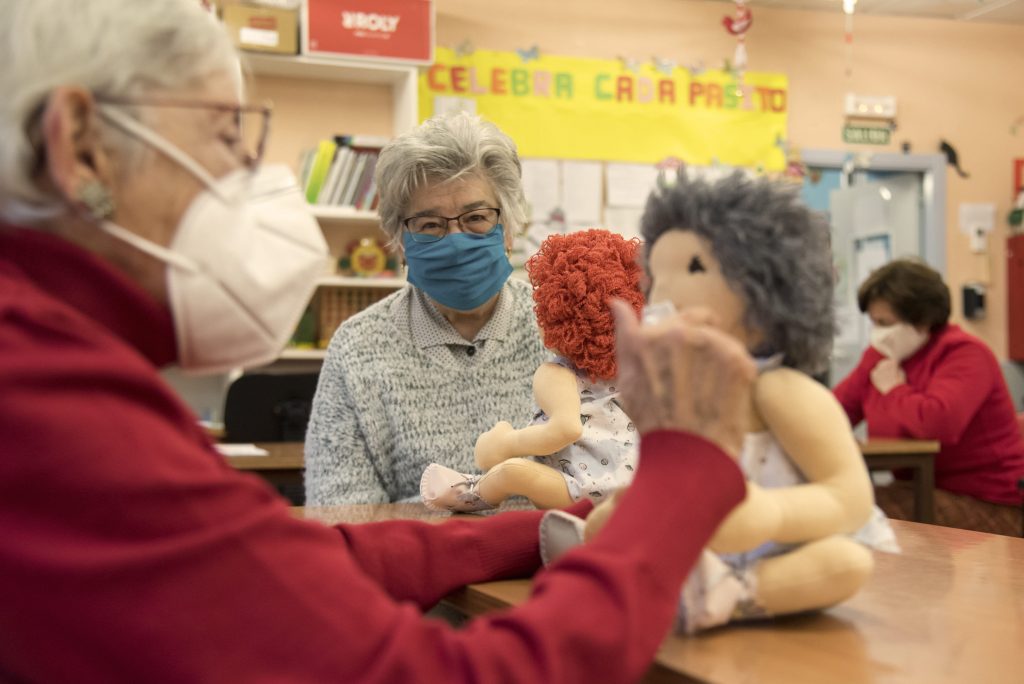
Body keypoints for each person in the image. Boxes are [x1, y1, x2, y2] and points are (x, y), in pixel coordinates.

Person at [0, 2, 754, 680]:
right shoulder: (44, 403)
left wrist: (557, 525)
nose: (245, 177)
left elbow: (311, 557)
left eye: (477, 218)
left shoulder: (58, 364)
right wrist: (684, 478)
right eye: (227, 134)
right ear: (83, 147)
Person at [304, 113, 548, 505]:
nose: (456, 240)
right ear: (400, 240)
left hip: (552, 565)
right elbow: (342, 516)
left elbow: (606, 482)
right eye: (430, 225)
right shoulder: (358, 347)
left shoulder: (563, 330)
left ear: (509, 228)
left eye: (476, 218)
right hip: (418, 567)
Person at [420, 229, 645, 512]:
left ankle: (471, 492)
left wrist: (505, 443)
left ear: (555, 314)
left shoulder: (556, 374)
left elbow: (565, 429)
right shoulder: (629, 372)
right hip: (638, 489)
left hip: (579, 490)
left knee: (514, 471)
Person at [833, 258, 1024, 536]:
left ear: (922, 321)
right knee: (833, 503)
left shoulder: (965, 355)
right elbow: (834, 410)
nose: (878, 333)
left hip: (986, 498)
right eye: (874, 323)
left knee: (857, 516)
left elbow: (938, 422)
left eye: (885, 323)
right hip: (917, 489)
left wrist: (896, 391)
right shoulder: (881, 356)